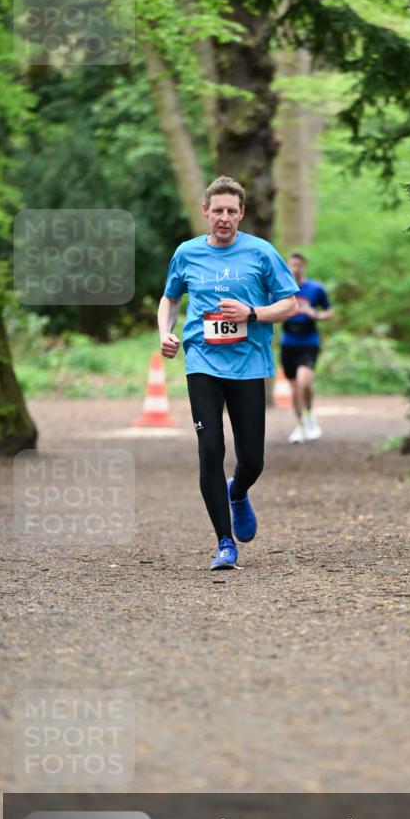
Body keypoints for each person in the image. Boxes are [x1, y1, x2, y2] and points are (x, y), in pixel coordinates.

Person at [158, 175, 298, 570]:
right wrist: (165, 334)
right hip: (202, 361)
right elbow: (169, 299)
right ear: (205, 212)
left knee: (252, 459)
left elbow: (289, 304)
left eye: (231, 211)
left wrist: (252, 313)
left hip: (249, 364)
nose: (224, 217)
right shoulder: (186, 253)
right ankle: (224, 542)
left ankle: (238, 491)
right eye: (217, 210)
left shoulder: (261, 252)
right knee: (210, 450)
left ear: (242, 214)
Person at [281, 252, 333, 443]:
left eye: (299, 265)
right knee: (295, 389)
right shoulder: (282, 288)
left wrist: (316, 315)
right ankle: (300, 426)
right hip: (288, 342)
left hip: (309, 341)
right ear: (287, 267)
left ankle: (310, 417)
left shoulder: (315, 289)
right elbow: (270, 309)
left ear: (304, 267)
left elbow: (330, 311)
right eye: (292, 265)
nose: (295, 269)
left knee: (304, 383)